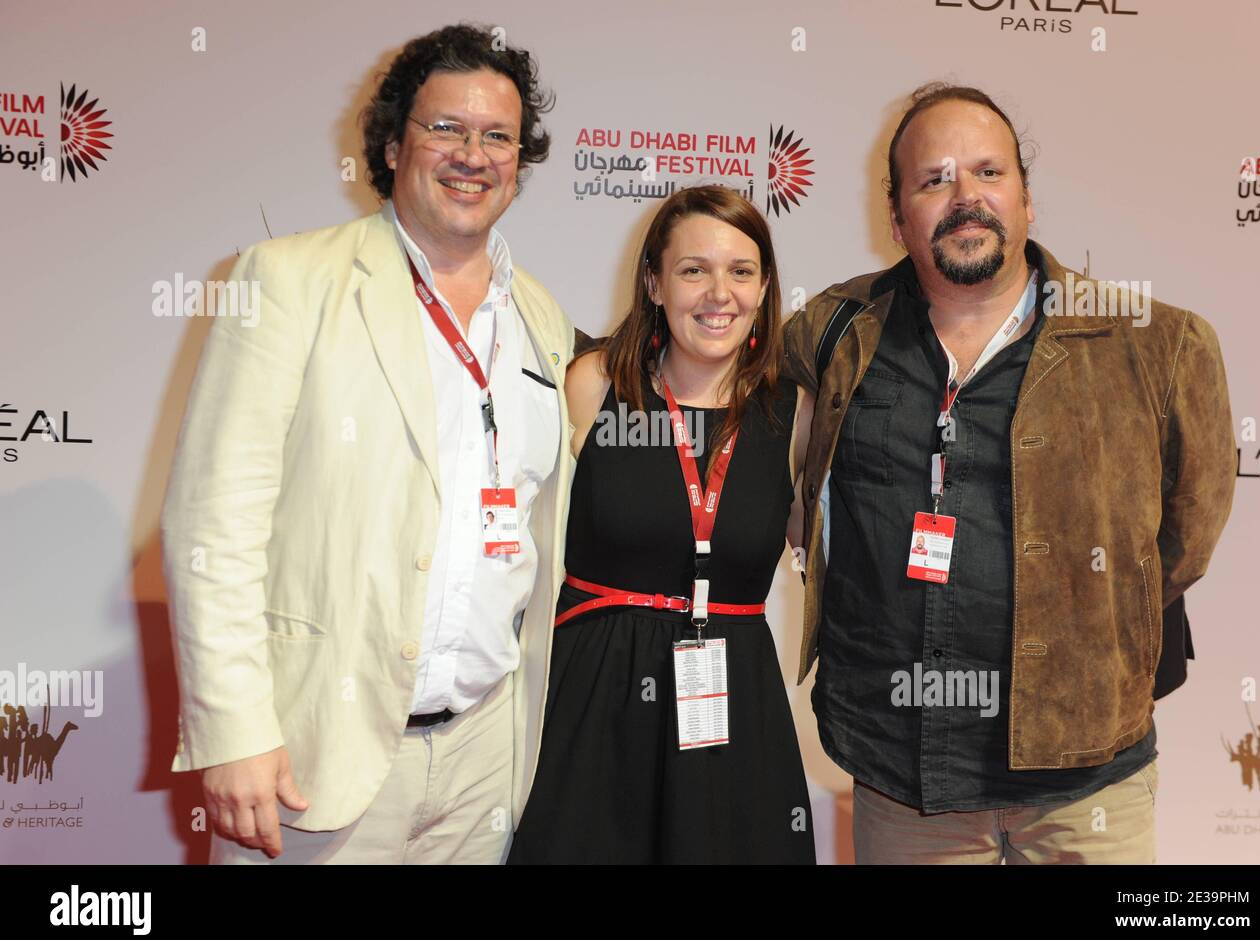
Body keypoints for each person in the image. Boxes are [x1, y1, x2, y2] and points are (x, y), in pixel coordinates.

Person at [783, 83, 1235, 864]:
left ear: (1027, 200)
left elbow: (1183, 544)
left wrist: (1089, 629)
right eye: (935, 180)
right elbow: (703, 365)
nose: (966, 199)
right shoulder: (831, 333)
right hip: (902, 779)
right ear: (896, 218)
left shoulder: (1158, 346)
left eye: (989, 173)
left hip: (1089, 785)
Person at [162, 24, 581, 864]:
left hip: (484, 756)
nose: (473, 154)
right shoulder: (287, 280)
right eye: (445, 129)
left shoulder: (541, 318)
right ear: (392, 145)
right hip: (318, 750)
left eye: (497, 136)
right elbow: (213, 523)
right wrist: (234, 728)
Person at [508, 186, 816, 864]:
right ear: (653, 281)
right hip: (594, 706)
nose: (719, 292)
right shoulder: (592, 386)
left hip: (732, 709)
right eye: (692, 269)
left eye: (741, 271)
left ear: (765, 287)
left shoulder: (794, 416)